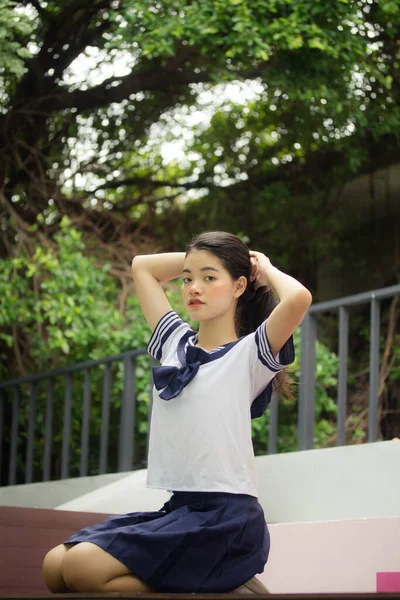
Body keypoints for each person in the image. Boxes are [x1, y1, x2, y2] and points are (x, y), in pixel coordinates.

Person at [42, 231, 312, 594]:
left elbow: (298, 298)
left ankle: (222, 586)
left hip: (226, 520)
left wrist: (260, 265)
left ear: (239, 287)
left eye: (209, 278)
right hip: (181, 511)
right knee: (54, 566)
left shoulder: (249, 355)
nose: (193, 288)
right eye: (187, 278)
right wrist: (198, 260)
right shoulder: (175, 345)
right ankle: (212, 586)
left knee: (82, 569)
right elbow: (143, 267)